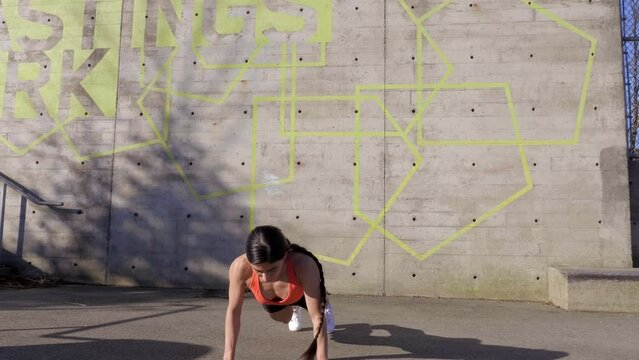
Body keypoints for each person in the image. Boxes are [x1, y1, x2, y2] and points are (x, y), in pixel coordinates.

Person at [224, 225, 334, 360]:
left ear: (285, 255)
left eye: (272, 270)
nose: (265, 278)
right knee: (283, 319)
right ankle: (294, 309)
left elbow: (317, 317)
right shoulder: (239, 267)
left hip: (301, 293)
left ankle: (325, 301)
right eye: (258, 271)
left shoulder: (304, 265)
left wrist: (322, 358)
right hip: (275, 299)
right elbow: (234, 311)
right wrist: (228, 356)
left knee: (317, 310)